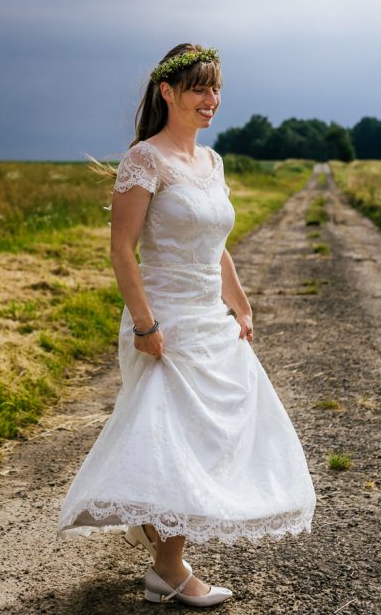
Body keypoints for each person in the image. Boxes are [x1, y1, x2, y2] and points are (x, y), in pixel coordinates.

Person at [57, 44, 316, 606]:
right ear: (167, 93)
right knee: (170, 439)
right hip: (165, 323)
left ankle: (155, 537)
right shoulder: (144, 161)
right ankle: (170, 569)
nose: (211, 99)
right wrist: (146, 325)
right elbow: (123, 252)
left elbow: (214, 245)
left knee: (204, 441)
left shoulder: (212, 162)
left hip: (209, 319)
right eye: (200, 88)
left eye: (216, 88)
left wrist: (240, 302)